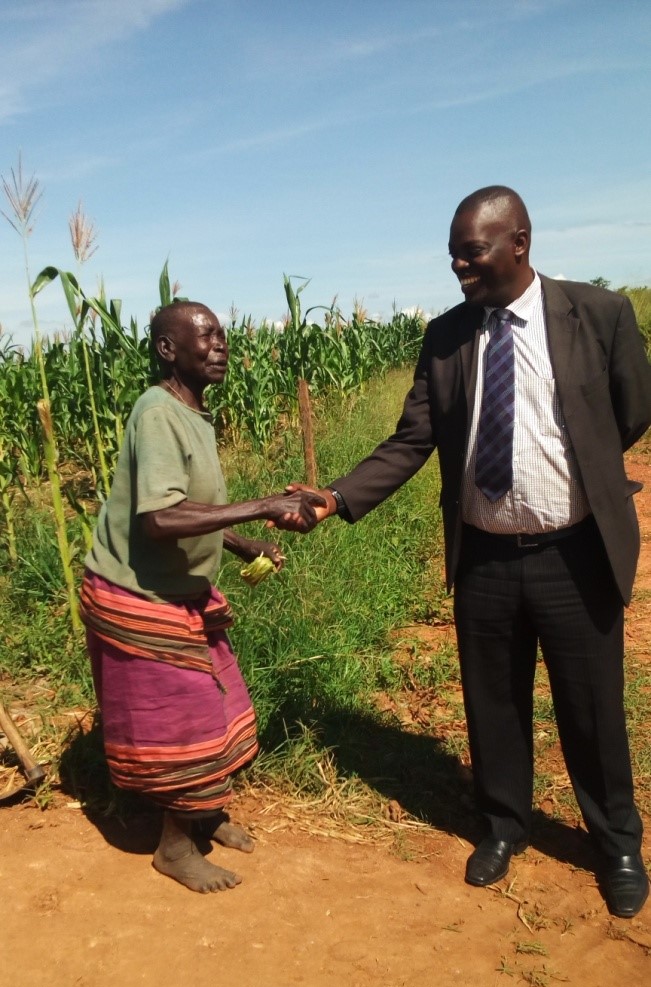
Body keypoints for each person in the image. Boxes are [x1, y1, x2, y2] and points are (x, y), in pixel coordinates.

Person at [281, 186, 651, 918]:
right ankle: (503, 825)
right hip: (483, 557)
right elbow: (413, 437)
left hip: (573, 554)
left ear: (518, 242)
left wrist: (586, 476)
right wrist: (335, 496)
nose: (457, 264)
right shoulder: (447, 335)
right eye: (452, 251)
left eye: (470, 249)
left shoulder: (596, 315)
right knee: (492, 705)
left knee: (591, 710)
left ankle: (615, 843)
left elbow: (631, 411)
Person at [81, 301, 323, 893]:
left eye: (222, 334)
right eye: (206, 335)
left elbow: (193, 508)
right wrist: (266, 503)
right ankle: (175, 846)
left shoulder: (193, 413)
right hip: (136, 594)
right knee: (186, 718)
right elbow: (161, 519)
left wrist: (240, 544)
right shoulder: (157, 412)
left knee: (223, 701)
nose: (221, 344)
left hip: (180, 592)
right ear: (168, 349)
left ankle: (204, 814)